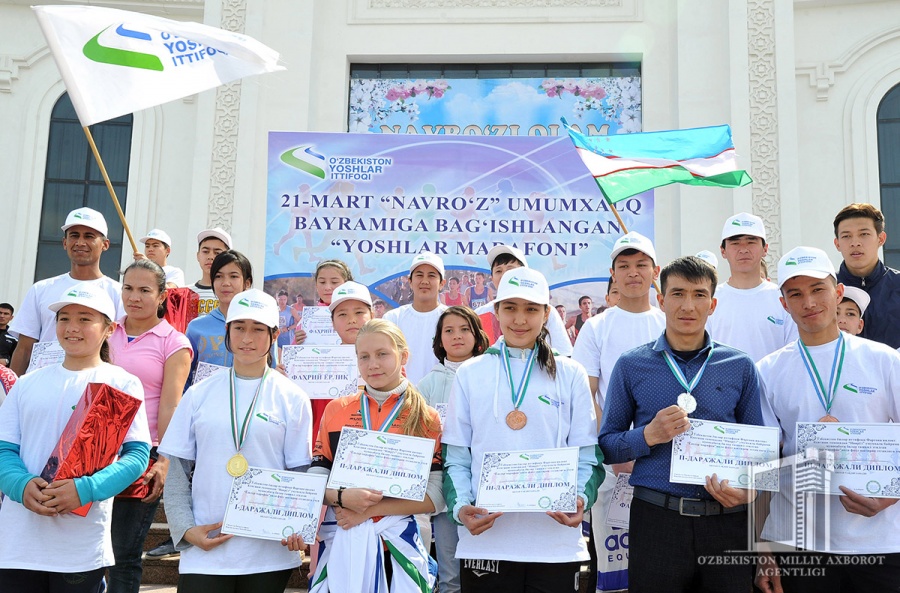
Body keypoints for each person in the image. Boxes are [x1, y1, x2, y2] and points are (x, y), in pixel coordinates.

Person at [599, 256, 763, 593]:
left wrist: (751, 489)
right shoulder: (632, 365)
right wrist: (648, 435)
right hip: (657, 518)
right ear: (660, 300)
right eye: (677, 294)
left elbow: (758, 450)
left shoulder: (740, 366)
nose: (688, 305)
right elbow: (607, 445)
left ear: (713, 304)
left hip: (726, 521)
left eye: (699, 295)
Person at [443, 267, 604, 593]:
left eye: (531, 309)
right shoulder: (471, 373)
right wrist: (461, 510)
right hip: (486, 543)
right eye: (511, 308)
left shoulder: (570, 372)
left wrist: (579, 498)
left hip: (555, 544)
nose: (520, 319)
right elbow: (456, 455)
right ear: (497, 311)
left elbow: (588, 453)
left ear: (546, 314)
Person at [755, 246, 900, 592]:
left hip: (879, 539)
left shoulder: (883, 360)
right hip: (799, 541)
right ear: (783, 304)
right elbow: (762, 462)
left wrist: (891, 494)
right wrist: (762, 548)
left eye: (818, 289)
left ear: (837, 293)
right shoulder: (767, 370)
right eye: (796, 294)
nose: (808, 302)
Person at [158, 289, 313, 592]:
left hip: (267, 553)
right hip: (206, 547)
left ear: (274, 335)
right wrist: (186, 530)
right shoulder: (199, 393)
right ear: (227, 331)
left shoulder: (292, 396)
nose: (247, 338)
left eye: (258, 329)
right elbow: (178, 472)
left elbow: (299, 474)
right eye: (239, 328)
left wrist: (298, 527)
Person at [0, 282, 151, 592]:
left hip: (80, 549)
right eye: (64, 318)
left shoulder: (122, 383)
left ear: (109, 328)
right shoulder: (27, 384)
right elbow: (4, 449)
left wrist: (86, 489)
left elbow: (136, 456)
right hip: (18, 546)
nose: (72, 328)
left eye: (85, 319)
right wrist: (20, 484)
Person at [308, 319, 443, 592]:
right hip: (343, 538)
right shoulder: (337, 410)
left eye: (383, 354)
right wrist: (344, 497)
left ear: (403, 356)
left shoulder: (426, 417)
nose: (373, 364)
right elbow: (315, 482)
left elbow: (436, 496)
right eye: (364, 357)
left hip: (400, 544)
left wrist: (371, 511)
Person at [107, 260, 192, 593]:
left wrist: (164, 459)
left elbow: (171, 404)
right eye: (128, 288)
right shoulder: (104, 329)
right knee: (89, 551)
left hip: (142, 452)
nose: (134, 297)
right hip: (95, 450)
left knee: (124, 553)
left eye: (145, 290)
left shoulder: (174, 342)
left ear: (161, 296)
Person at [418, 306, 490, 593]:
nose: (456, 336)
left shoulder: (491, 374)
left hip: (488, 486)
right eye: (448, 330)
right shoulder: (427, 384)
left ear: (477, 336)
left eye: (464, 329)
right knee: (450, 573)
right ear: (439, 340)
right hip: (447, 493)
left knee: (488, 572)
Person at [9, 207, 125, 375]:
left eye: (89, 236)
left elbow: (121, 350)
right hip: (43, 385)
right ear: (65, 243)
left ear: (105, 244)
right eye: (74, 235)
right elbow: (24, 349)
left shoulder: (118, 293)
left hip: (93, 388)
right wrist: (9, 393)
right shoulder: (40, 290)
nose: (80, 242)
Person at [572, 232, 665, 412]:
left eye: (641, 265)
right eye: (624, 266)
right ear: (613, 274)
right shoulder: (595, 327)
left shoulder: (670, 325)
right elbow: (585, 393)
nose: (633, 273)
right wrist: (608, 435)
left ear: (655, 272)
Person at [706, 212, 797, 362]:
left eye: (751, 242)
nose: (743, 249)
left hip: (772, 385)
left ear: (765, 249)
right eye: (735, 243)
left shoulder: (783, 298)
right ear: (723, 251)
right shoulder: (711, 300)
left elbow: (792, 352)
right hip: (724, 385)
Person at [475, 244, 573, 356]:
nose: (504, 275)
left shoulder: (547, 313)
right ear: (492, 278)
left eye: (510, 270)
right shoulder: (480, 314)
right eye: (498, 271)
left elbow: (565, 354)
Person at [294, 259, 355, 435]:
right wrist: (298, 345)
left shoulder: (359, 317)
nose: (328, 287)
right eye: (322, 282)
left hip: (347, 390)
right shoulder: (306, 321)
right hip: (317, 393)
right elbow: (294, 364)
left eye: (334, 282)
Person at [833, 202, 900, 348]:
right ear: (837, 243)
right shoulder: (826, 290)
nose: (855, 243)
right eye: (846, 236)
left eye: (864, 234)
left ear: (881, 239)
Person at [184, 250, 253, 385]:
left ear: (247, 283)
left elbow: (271, 368)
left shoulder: (261, 326)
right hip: (205, 403)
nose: (225, 283)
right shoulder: (196, 327)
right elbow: (185, 376)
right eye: (219, 277)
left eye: (233, 276)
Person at [383, 252, 448, 384]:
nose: (425, 281)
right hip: (401, 398)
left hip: (441, 398)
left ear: (442, 283)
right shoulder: (393, 318)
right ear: (410, 282)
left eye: (431, 275)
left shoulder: (452, 318)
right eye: (419, 275)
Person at [188, 228, 232, 317]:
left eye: (217, 252)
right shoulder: (185, 293)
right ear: (198, 255)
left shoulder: (231, 292)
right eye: (205, 252)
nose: (210, 257)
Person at [0, 303, 16, 367]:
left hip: (3, 373)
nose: (2, 316)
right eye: (0, 312)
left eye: (6, 314)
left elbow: (17, 357)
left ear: (11, 317)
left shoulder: (14, 336)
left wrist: (7, 361)